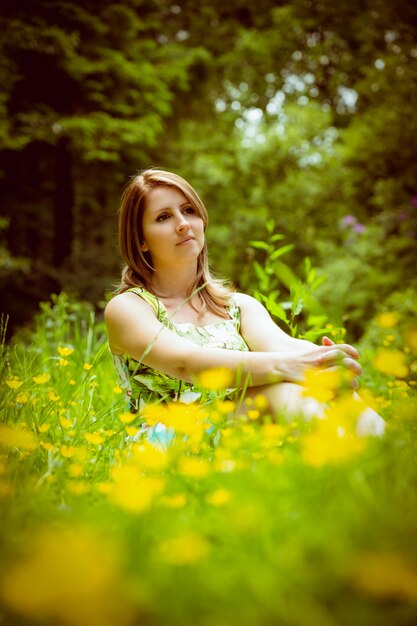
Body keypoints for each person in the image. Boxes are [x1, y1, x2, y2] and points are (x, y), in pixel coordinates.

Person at [105, 168, 385, 444]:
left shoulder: (237, 306)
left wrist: (327, 360)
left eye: (189, 210)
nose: (183, 223)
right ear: (141, 240)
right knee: (282, 390)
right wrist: (296, 367)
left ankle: (391, 455)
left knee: (325, 387)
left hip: (234, 429)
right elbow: (185, 364)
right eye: (163, 217)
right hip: (167, 446)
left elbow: (281, 345)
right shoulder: (128, 308)